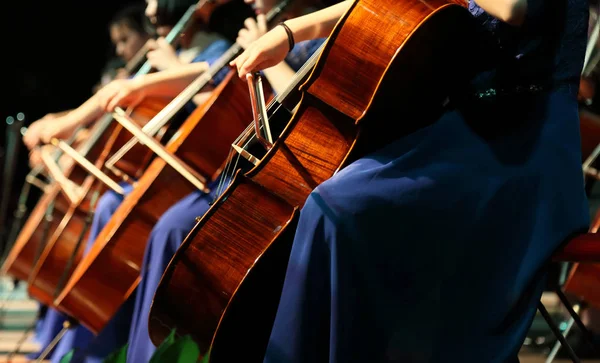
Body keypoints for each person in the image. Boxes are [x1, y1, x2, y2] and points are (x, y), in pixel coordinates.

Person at [230, 0, 591, 361]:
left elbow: (513, 8)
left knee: (339, 210)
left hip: (524, 147)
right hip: (461, 136)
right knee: (328, 205)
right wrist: (289, 32)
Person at [94, 1, 329, 361]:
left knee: (173, 225)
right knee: (161, 221)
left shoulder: (309, 37)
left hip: (287, 173)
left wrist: (271, 51)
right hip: (238, 168)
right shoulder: (273, 31)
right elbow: (222, 92)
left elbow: (309, 114)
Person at [25, 1, 231, 362]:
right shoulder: (176, 51)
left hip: (197, 173)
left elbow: (220, 92)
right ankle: (84, 342)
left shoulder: (210, 49)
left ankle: (104, 347)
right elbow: (117, 95)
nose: (151, 9)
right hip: (163, 174)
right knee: (107, 205)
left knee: (117, 209)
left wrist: (171, 67)